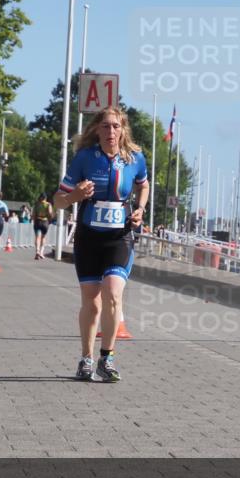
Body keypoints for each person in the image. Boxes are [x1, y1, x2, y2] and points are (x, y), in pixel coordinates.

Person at [53, 106, 149, 383]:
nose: (111, 132)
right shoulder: (84, 158)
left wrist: (141, 208)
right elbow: (58, 200)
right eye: (106, 126)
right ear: (97, 129)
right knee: (92, 303)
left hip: (119, 237)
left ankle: (106, 358)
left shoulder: (134, 158)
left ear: (123, 130)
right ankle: (86, 358)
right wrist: (76, 196)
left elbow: (144, 184)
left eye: (116, 126)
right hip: (89, 237)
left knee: (113, 293)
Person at [32, 193, 54, 260]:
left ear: (40, 197)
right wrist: (50, 219)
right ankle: (41, 252)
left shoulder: (36, 204)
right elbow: (50, 213)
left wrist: (34, 221)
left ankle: (37, 251)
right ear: (46, 198)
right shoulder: (48, 204)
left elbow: (33, 215)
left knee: (37, 237)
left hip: (38, 221)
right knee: (43, 237)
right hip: (45, 221)